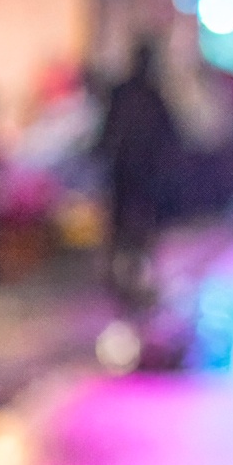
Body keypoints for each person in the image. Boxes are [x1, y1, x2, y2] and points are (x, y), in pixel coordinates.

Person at [98, 35, 179, 301]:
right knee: (129, 223)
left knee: (132, 224)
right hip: (133, 170)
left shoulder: (138, 93)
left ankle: (131, 273)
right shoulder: (145, 93)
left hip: (136, 170)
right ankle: (124, 274)